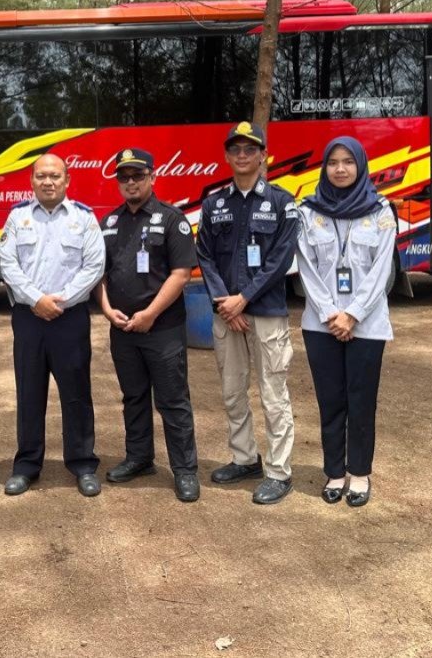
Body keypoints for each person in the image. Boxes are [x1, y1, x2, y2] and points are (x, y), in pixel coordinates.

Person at [195, 121, 300, 505]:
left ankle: (279, 471)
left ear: (263, 156)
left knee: (273, 393)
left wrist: (244, 299)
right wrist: (225, 303)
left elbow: (281, 260)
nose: (242, 155)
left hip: (266, 312)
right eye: (235, 149)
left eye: (250, 149)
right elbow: (204, 256)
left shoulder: (282, 203)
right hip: (227, 314)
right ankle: (245, 458)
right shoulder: (213, 204)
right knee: (232, 391)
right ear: (227, 156)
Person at [94, 148, 202, 503]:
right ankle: (139, 458)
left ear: (152, 177)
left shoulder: (172, 219)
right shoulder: (109, 223)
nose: (130, 183)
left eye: (137, 176)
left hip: (162, 328)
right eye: (124, 177)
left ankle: (185, 470)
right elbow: (98, 274)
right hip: (123, 329)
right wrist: (107, 310)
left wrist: (151, 314)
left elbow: (181, 273)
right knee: (134, 397)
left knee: (173, 400)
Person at [0, 154, 106, 496]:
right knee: (29, 392)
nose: (48, 182)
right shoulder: (17, 217)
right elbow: (7, 264)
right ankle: (27, 465)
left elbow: (94, 266)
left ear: (67, 180)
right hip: (28, 318)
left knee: (76, 393)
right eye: (41, 176)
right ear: (31, 180)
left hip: (69, 318)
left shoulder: (84, 218)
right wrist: (36, 299)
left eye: (55, 176)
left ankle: (83, 464)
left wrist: (60, 300)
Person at [296, 137, 396, 507]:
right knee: (331, 400)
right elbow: (306, 268)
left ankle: (360, 473)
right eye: (333, 162)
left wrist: (352, 314)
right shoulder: (308, 212)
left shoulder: (382, 211)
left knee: (362, 400)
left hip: (367, 324)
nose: (340, 169)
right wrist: (330, 314)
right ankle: (335, 472)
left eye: (348, 162)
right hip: (320, 325)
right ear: (324, 167)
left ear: (360, 166)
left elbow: (382, 269)